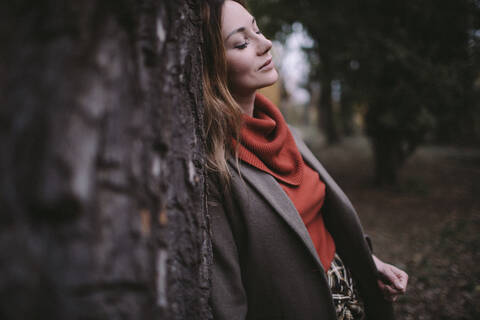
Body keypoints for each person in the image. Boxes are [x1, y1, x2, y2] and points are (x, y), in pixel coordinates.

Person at [201, 1, 408, 319]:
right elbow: (227, 298)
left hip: (354, 295)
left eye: (257, 29)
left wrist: (370, 263)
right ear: (211, 66)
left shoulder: (285, 132)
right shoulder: (215, 168)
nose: (265, 43)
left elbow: (321, 221)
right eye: (242, 42)